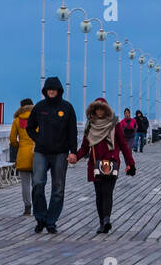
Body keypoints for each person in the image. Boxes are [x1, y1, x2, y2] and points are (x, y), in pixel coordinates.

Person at [70, 98, 136, 234]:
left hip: (110, 163)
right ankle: (102, 222)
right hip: (95, 164)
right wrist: (76, 156)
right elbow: (84, 147)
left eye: (102, 109)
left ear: (106, 110)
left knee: (107, 192)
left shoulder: (114, 124)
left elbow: (123, 144)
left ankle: (106, 219)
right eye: (97, 109)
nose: (99, 111)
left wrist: (131, 163)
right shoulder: (90, 126)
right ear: (93, 110)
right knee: (99, 194)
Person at [24, 76, 78, 234]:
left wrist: (73, 151)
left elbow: (72, 131)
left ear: (59, 90)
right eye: (49, 89)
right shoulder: (40, 107)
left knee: (58, 188)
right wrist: (38, 139)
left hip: (61, 153)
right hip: (41, 152)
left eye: (54, 89)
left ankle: (51, 220)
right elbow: (30, 127)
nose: (51, 91)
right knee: (38, 183)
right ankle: (40, 217)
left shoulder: (67, 108)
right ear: (45, 91)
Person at [8, 97, 36, 216]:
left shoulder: (17, 120)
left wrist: (20, 146)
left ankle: (27, 207)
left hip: (23, 153)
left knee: (25, 183)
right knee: (37, 183)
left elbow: (12, 139)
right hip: (37, 153)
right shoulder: (38, 118)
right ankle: (38, 205)